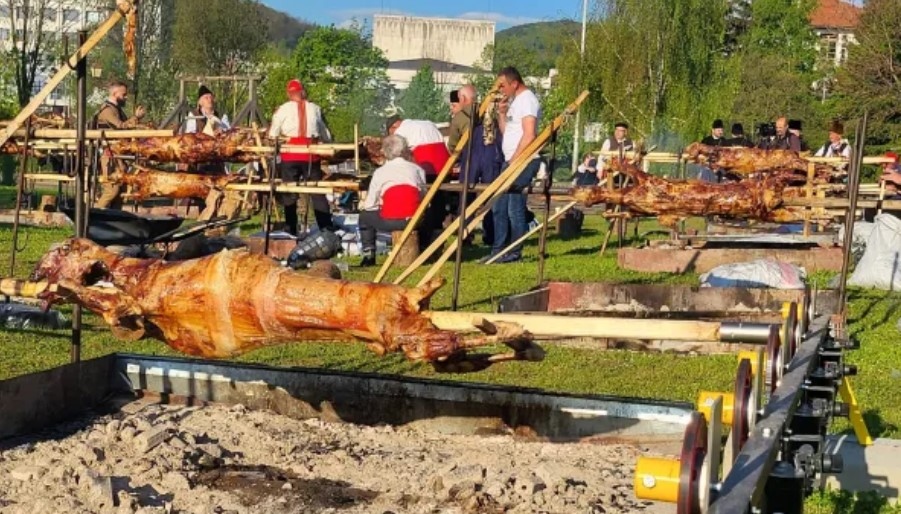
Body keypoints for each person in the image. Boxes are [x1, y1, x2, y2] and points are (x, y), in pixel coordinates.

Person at [268, 79, 337, 235]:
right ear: (303, 92)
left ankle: (291, 229)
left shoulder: (283, 109)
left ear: (289, 94)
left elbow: (273, 134)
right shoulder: (315, 108)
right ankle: (326, 229)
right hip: (311, 156)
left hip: (290, 156)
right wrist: (328, 142)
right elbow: (325, 133)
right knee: (317, 193)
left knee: (290, 193)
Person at [488, 66, 541, 264]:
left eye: (503, 85)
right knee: (499, 207)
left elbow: (530, 134)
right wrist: (502, 114)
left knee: (514, 209)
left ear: (514, 83)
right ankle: (498, 250)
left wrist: (515, 160)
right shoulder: (515, 102)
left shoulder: (527, 101)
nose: (501, 89)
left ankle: (514, 251)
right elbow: (508, 131)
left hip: (523, 160)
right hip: (511, 160)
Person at [357, 134, 427, 266]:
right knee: (428, 211)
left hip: (390, 221)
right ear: (404, 150)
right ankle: (424, 246)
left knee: (365, 217)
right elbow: (424, 197)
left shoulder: (380, 172)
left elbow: (370, 204)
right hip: (415, 219)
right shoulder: (417, 169)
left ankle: (369, 254)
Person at [93, 80, 147, 209]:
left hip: (118, 154)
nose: (126, 97)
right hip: (109, 155)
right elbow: (121, 127)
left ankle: (115, 220)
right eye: (124, 94)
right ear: (114, 93)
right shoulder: (107, 110)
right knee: (112, 190)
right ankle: (94, 216)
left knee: (120, 190)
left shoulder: (116, 109)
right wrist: (136, 117)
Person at [448, 84, 477, 151]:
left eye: (454, 106)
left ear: (462, 99)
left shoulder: (459, 119)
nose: (451, 108)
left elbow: (452, 148)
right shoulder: (487, 110)